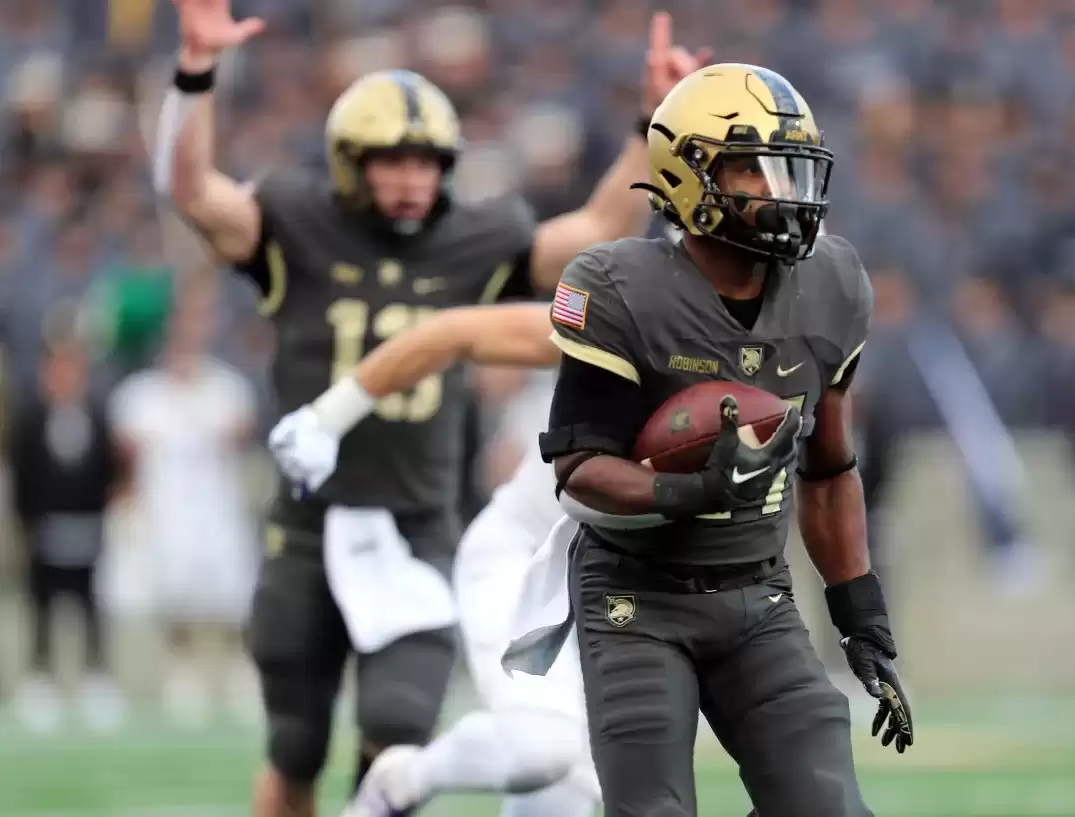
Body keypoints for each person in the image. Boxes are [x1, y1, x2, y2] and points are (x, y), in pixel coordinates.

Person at [156, 1, 706, 813]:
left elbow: (594, 228)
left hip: (418, 522)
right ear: (350, 161)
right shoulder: (299, 221)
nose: (413, 178)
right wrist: (195, 74)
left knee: (398, 724)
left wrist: (648, 123)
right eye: (392, 161)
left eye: (426, 161)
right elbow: (192, 191)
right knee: (295, 744)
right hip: (308, 524)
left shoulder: (474, 239)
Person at [516, 63, 913, 816]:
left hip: (756, 595)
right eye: (754, 169)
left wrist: (861, 616)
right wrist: (690, 490)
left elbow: (829, 469)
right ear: (689, 173)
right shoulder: (620, 284)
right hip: (638, 597)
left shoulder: (833, 283)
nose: (781, 188)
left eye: (791, 166)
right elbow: (578, 468)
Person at [268, 302, 593, 817]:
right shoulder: (631, 301)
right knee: (545, 748)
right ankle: (402, 781)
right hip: (530, 563)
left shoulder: (770, 336)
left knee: (581, 787)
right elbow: (454, 331)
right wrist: (329, 417)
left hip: (635, 586)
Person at [110, 278, 260, 728]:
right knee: (173, 594)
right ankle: (183, 673)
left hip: (216, 508)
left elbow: (243, 433)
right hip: (167, 510)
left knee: (231, 595)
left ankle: (238, 671)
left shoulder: (227, 388)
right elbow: (125, 455)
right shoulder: (139, 396)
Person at [10, 333, 125, 735]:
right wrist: (27, 526)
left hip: (87, 529)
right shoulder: (32, 419)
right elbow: (23, 477)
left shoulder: (95, 415)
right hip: (46, 530)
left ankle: (97, 678)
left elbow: (111, 472)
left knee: (90, 608)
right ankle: (40, 678)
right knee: (42, 608)